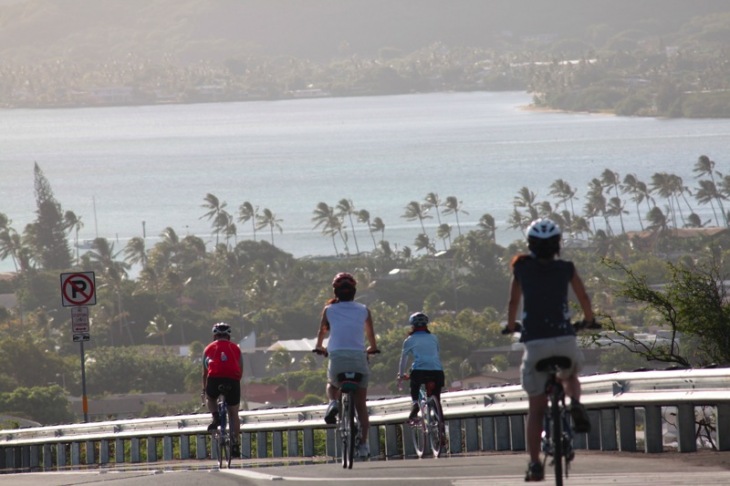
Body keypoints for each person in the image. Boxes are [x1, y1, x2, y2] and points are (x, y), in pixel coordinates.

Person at [504, 218, 594, 482]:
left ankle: (534, 465)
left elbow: (513, 302)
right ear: (558, 245)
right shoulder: (566, 268)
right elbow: (584, 298)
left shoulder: (521, 267)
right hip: (564, 338)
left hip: (535, 343)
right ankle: (575, 403)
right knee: (570, 375)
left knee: (537, 408)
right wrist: (589, 320)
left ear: (531, 245)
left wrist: (511, 326)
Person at [314, 272, 379, 459]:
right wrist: (372, 348)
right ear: (354, 292)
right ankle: (364, 444)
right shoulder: (364, 309)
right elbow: (371, 336)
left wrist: (319, 347)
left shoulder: (329, 310)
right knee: (361, 406)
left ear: (335, 292)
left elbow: (322, 332)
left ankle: (333, 402)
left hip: (337, 358)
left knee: (332, 384)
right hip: (359, 358)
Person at [203, 322, 243, 458]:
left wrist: (205, 389)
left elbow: (205, 372)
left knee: (210, 397)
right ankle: (236, 443)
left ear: (215, 335)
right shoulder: (236, 349)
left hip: (214, 379)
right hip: (233, 380)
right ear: (228, 336)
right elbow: (241, 369)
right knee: (234, 413)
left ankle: (215, 418)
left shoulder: (208, 348)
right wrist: (236, 381)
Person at [397, 312, 445, 423]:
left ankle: (415, 404)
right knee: (436, 397)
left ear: (412, 325)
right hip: (438, 372)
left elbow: (403, 360)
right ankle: (440, 426)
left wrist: (401, 374)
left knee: (415, 385)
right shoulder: (434, 337)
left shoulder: (409, 340)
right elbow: (436, 353)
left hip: (419, 372)